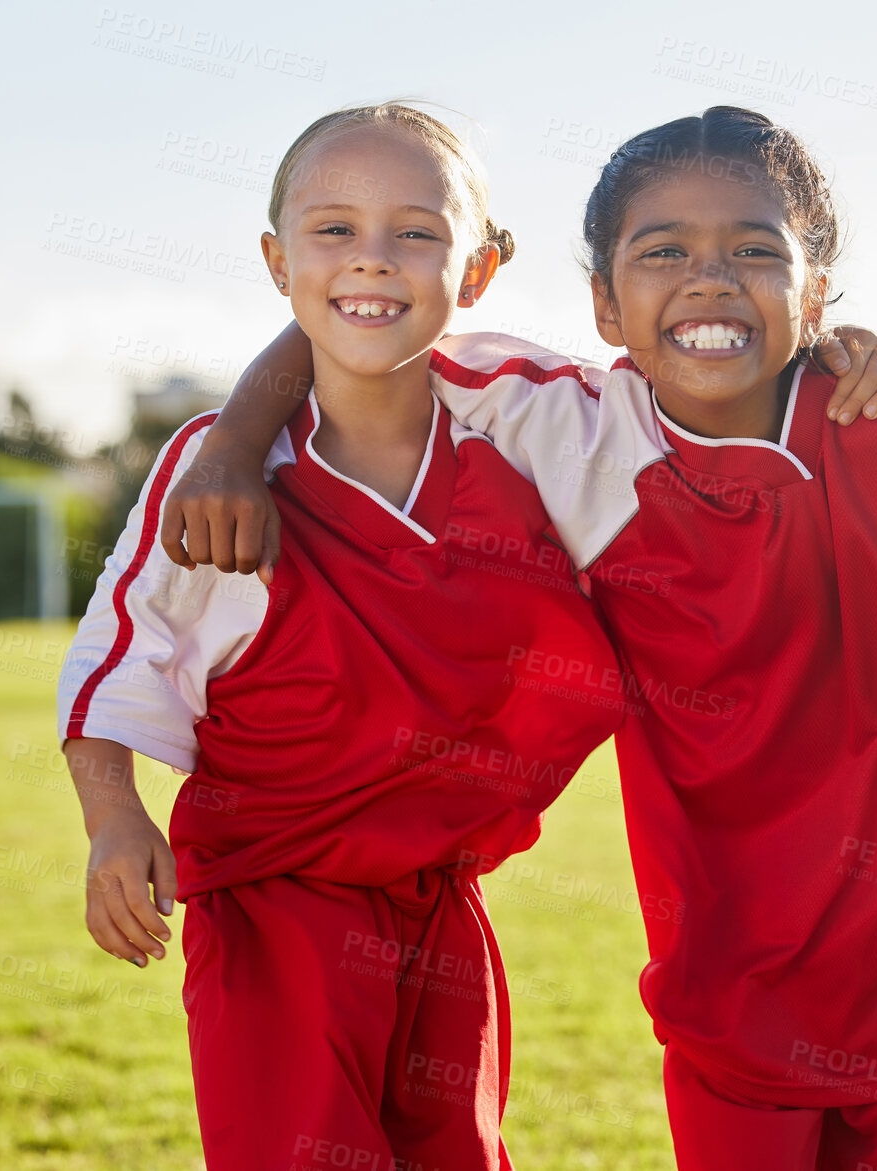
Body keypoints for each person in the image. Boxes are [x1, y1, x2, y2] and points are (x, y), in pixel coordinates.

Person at [165, 106, 877, 1170]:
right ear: (603, 302)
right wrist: (231, 444)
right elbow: (359, 321)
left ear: (815, 296)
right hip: (729, 959)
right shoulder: (573, 430)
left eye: (756, 251)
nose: (711, 278)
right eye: (663, 250)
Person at [56, 104, 627, 1171]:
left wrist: (831, 349)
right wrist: (113, 816)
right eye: (333, 231)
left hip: (443, 896)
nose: (373, 259)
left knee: (458, 1151)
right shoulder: (218, 474)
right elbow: (118, 647)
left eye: (417, 232)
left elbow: (695, 411)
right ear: (276, 262)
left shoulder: (530, 423)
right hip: (278, 902)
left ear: (480, 271)